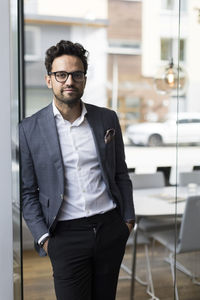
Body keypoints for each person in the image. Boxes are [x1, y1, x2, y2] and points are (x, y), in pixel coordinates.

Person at [19, 40, 135, 300]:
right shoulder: (29, 129)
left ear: (84, 79)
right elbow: (27, 192)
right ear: (49, 80)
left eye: (76, 74)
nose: (69, 80)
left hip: (109, 228)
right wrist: (45, 239)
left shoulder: (107, 119)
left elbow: (120, 174)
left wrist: (127, 220)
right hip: (64, 236)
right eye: (61, 74)